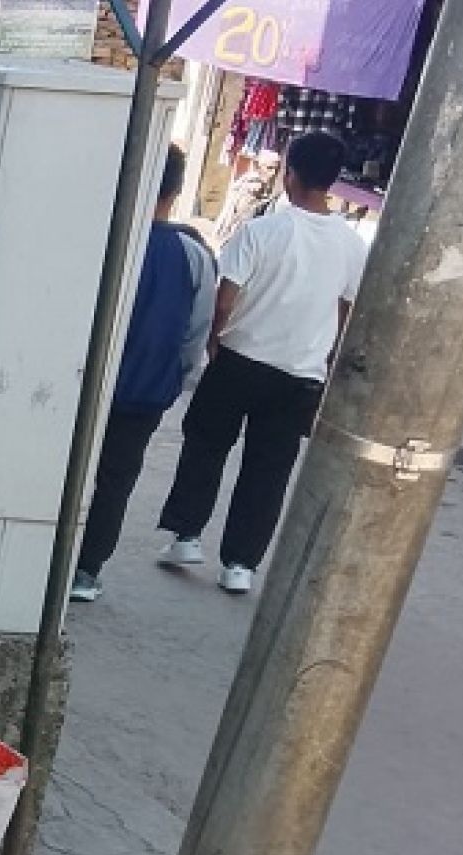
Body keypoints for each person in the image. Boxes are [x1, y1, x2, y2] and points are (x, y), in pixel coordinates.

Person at [155, 130, 368, 595]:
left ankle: (187, 535)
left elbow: (225, 299)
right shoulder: (353, 247)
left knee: (206, 444)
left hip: (240, 357)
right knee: (268, 469)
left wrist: (213, 341)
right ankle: (241, 564)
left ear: (290, 174)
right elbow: (345, 314)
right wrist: (326, 361)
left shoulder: (262, 230)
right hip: (300, 374)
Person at [69, 146, 216, 602]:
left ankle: (45, 555)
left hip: (81, 383)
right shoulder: (192, 252)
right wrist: (180, 376)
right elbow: (198, 330)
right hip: (146, 391)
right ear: (175, 188)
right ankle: (87, 571)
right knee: (117, 479)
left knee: (65, 470)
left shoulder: (102, 235)